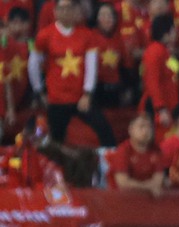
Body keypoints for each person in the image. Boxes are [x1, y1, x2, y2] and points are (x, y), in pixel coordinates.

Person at [29, 0, 116, 146]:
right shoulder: (45, 35)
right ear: (55, 11)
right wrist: (39, 91)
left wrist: (87, 94)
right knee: (56, 140)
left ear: (77, 11)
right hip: (56, 99)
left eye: (70, 8)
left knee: (104, 131)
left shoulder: (87, 35)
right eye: (62, 8)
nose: (66, 12)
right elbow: (33, 65)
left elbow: (91, 66)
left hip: (81, 98)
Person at [107, 114, 165, 197]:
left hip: (148, 200)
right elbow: (123, 184)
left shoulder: (156, 150)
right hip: (121, 199)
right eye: (141, 127)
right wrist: (148, 187)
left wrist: (150, 187)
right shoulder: (123, 150)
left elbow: (158, 181)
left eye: (149, 127)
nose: (146, 130)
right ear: (131, 130)